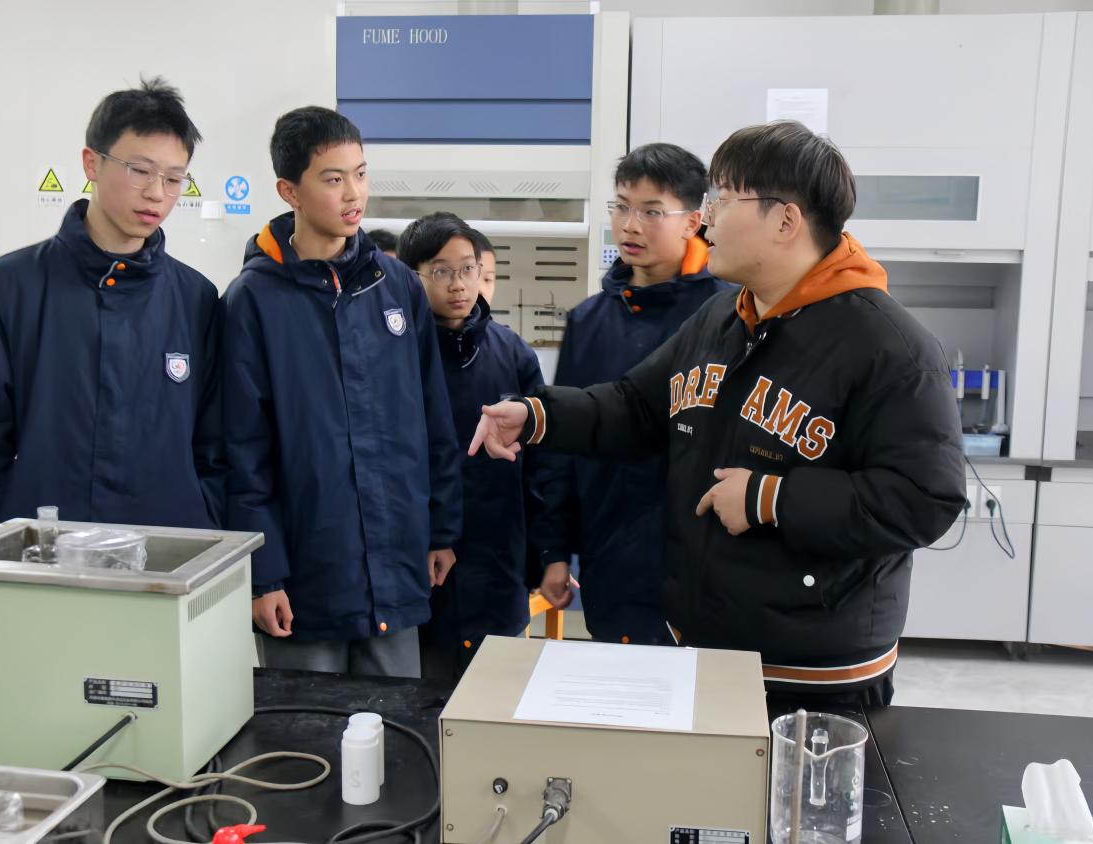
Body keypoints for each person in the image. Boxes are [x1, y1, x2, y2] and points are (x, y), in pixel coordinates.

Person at [471, 121, 965, 704]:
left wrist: (770, 498)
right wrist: (538, 416)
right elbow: (636, 406)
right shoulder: (722, 318)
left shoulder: (890, 347)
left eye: (722, 201)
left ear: (785, 220)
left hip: (811, 670)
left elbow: (925, 499)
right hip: (702, 645)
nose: (705, 220)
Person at [224, 107, 461, 677]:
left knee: (396, 720)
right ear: (290, 191)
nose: (354, 193)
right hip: (306, 577)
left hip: (396, 562)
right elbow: (240, 450)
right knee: (305, 723)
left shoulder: (396, 285)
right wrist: (263, 574)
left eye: (360, 173)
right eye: (333, 179)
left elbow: (432, 416)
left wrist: (441, 529)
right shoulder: (252, 301)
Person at [0, 77, 224, 534]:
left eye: (173, 179)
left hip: (167, 552)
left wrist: (198, 518)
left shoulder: (196, 298)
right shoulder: (9, 287)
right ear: (92, 163)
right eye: (140, 170)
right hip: (42, 553)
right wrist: (1, 540)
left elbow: (215, 446)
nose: (156, 193)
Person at [534, 143, 735, 646]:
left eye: (651, 212)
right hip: (612, 557)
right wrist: (554, 551)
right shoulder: (589, 321)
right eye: (621, 207)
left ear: (693, 222)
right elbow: (562, 443)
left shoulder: (728, 314)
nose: (630, 225)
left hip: (704, 562)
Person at [398, 212, 544, 681]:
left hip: (499, 559)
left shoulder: (512, 352)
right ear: (412, 276)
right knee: (425, 694)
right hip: (423, 563)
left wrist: (543, 555)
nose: (459, 284)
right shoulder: (396, 354)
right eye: (441, 271)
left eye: (468, 269)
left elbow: (542, 466)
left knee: (500, 695)